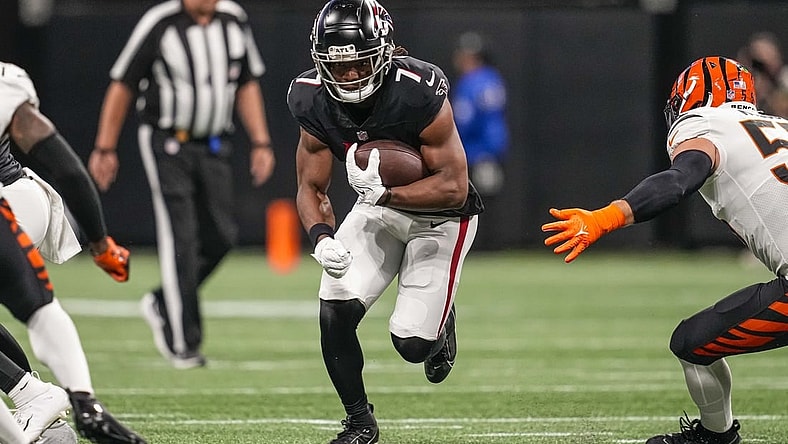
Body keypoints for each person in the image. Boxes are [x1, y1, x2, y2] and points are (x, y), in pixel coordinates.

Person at [540, 56, 788, 444]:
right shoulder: (779, 127)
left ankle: (715, 437)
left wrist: (608, 216)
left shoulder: (710, 125)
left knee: (691, 343)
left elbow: (678, 180)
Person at [287, 1, 483, 443]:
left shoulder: (417, 89)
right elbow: (310, 185)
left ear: (384, 53)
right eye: (339, 66)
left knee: (412, 346)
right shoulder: (310, 96)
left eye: (359, 63)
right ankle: (360, 422)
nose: (350, 75)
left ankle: (441, 322)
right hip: (377, 209)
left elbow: (454, 186)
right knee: (334, 307)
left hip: (441, 220)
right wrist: (319, 237)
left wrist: (388, 193)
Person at [89, 0, 276, 369]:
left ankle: (162, 301)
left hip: (214, 144)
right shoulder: (160, 23)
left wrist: (261, 141)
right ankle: (183, 341)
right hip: (167, 142)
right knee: (182, 237)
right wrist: (105, 147)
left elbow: (246, 83)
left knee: (222, 237)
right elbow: (123, 85)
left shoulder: (233, 19)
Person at [0, 61, 146, 443]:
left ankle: (34, 397)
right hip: (17, 202)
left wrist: (100, 242)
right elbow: (66, 169)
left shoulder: (3, 84)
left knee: (38, 308)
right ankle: (41, 408)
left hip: (11, 200)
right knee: (38, 310)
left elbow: (64, 167)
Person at [451, 31, 509, 250]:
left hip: (476, 150)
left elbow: (465, 120)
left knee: (477, 200)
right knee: (488, 199)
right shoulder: (492, 78)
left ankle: (481, 247)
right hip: (493, 148)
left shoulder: (472, 81)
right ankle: (490, 245)